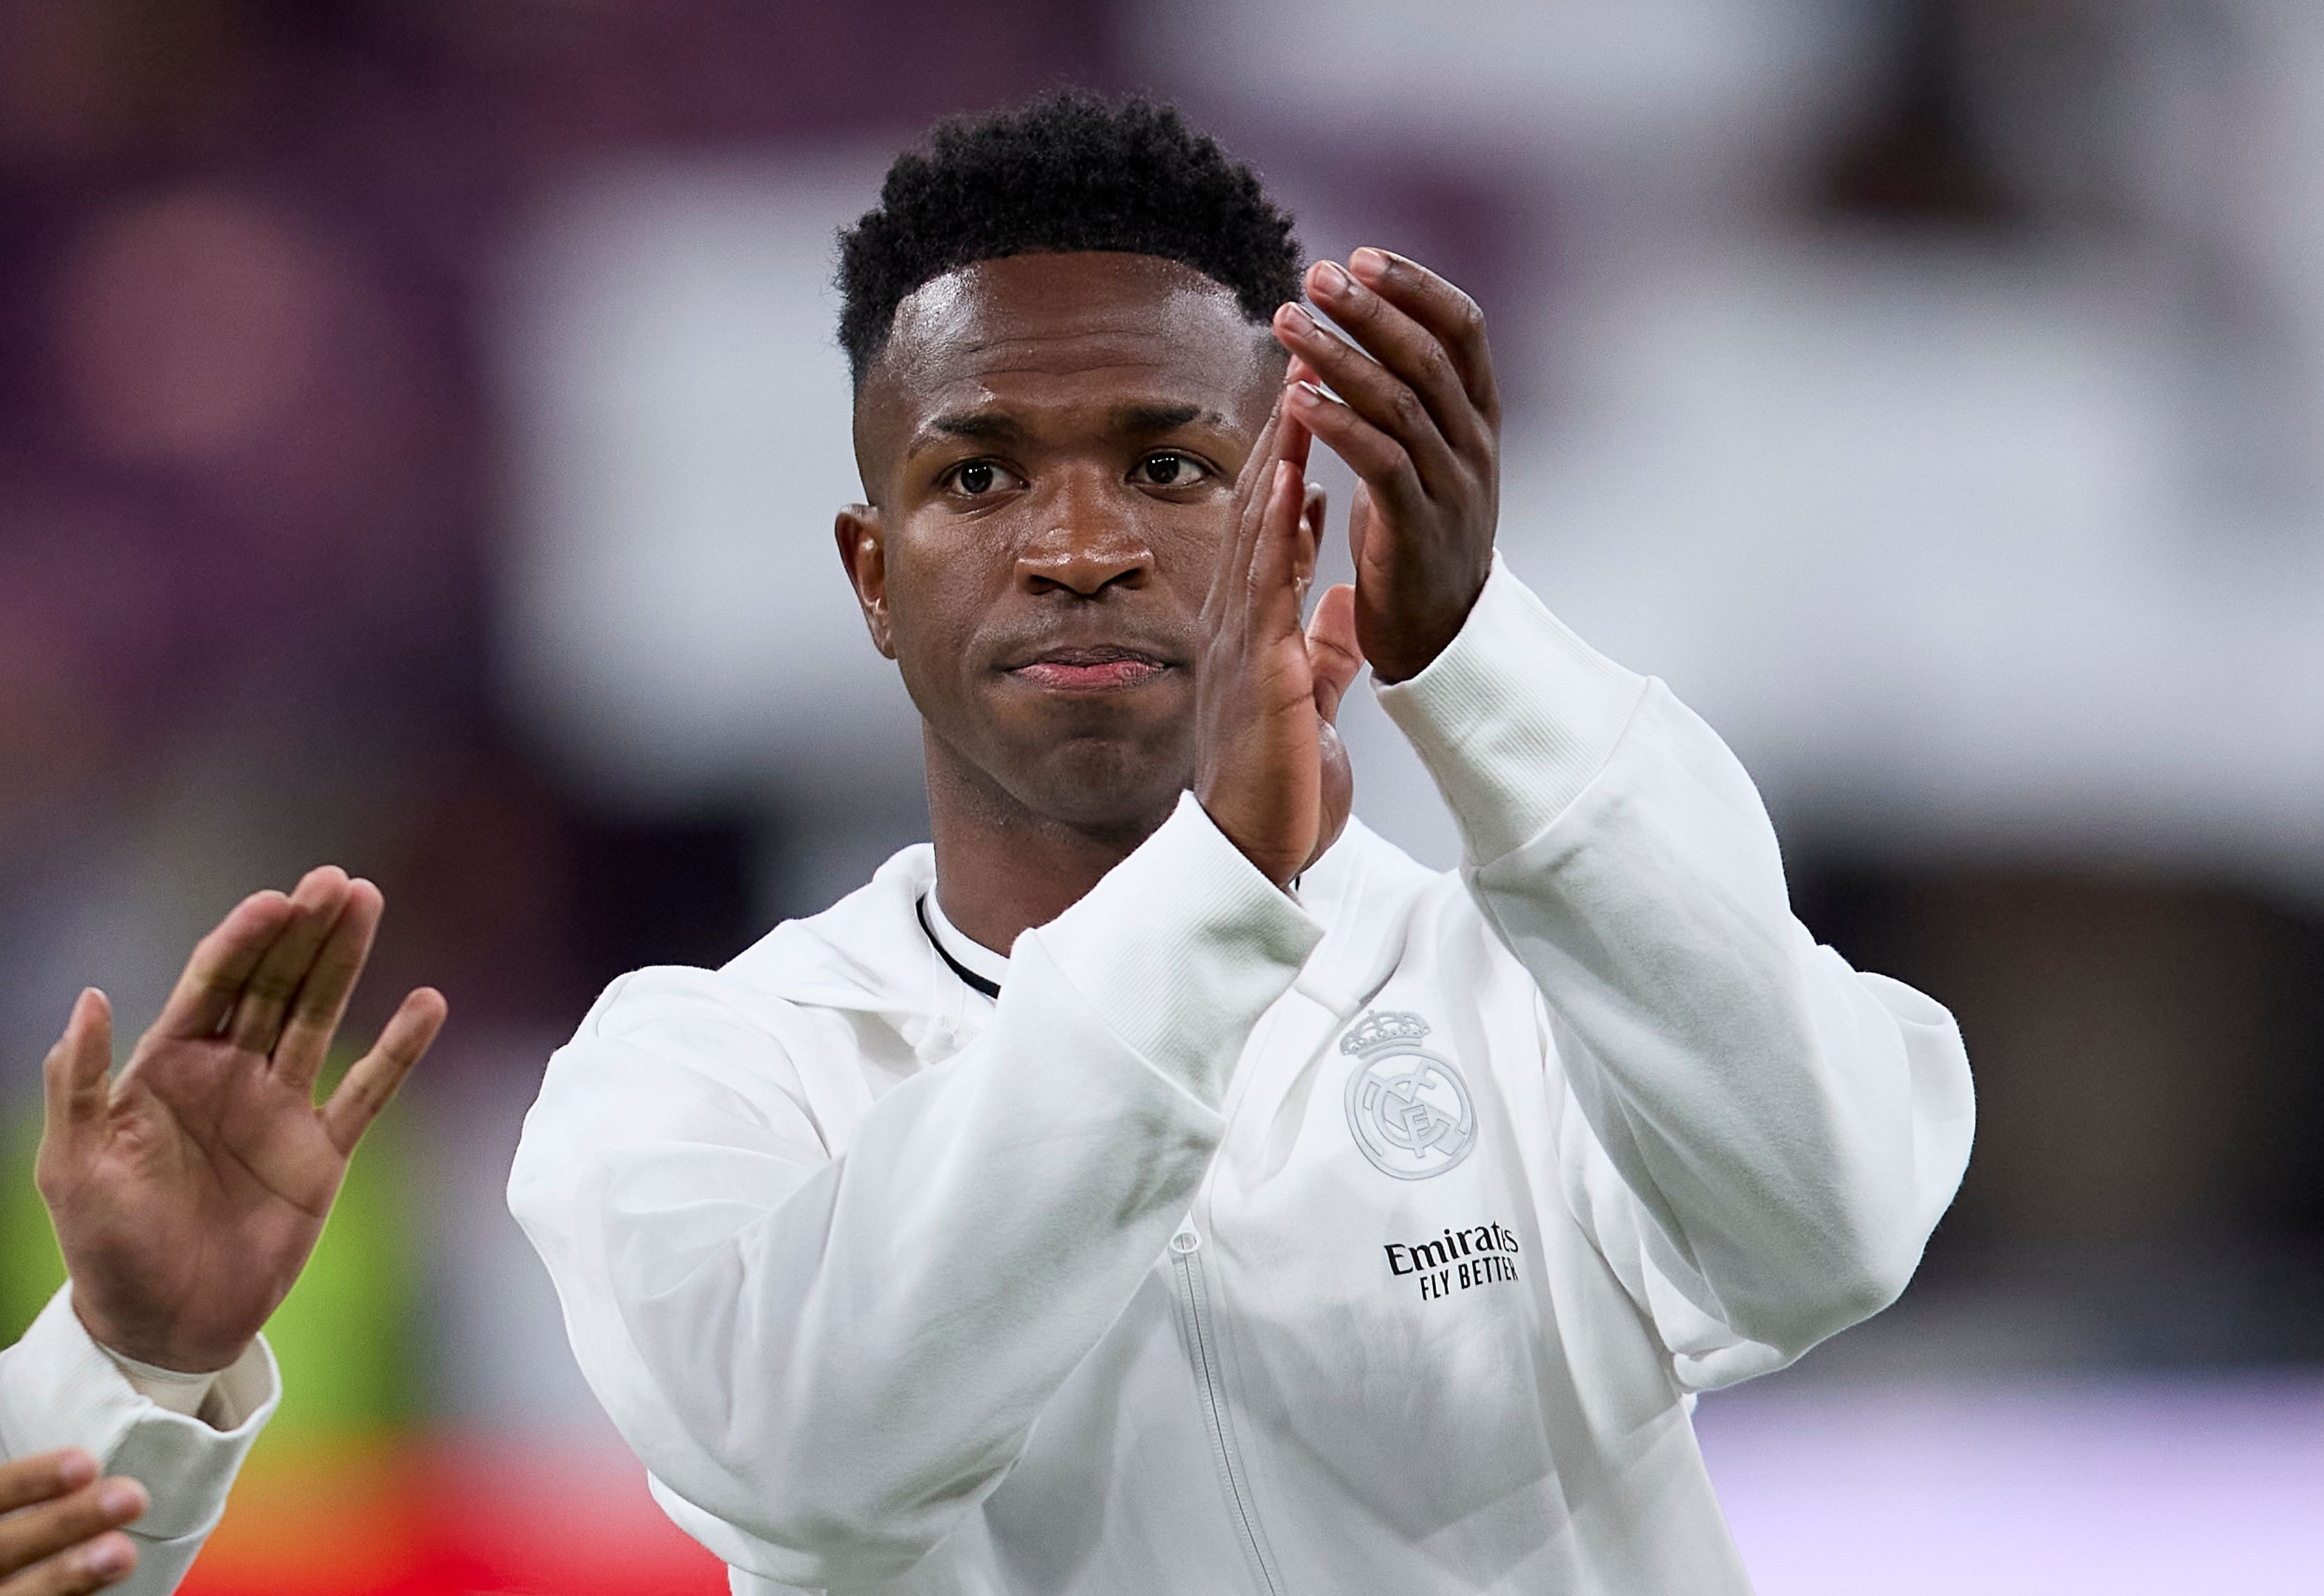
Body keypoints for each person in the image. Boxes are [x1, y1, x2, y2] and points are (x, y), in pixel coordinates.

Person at [510, 92, 1976, 1594]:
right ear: (873, 577)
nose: (1081, 550)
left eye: (1168, 467)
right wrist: (1215, 886)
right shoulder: (704, 1067)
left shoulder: (1530, 984)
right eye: (979, 476)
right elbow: (808, 1463)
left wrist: (1475, 655)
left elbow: (1832, 1228)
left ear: (1297, 527)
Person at [0, 868, 444, 1596]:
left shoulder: (356, 1129)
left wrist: (148, 1362)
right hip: (289, 1526)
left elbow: (416, 1338)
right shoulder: (39, 1133)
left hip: (336, 1532)